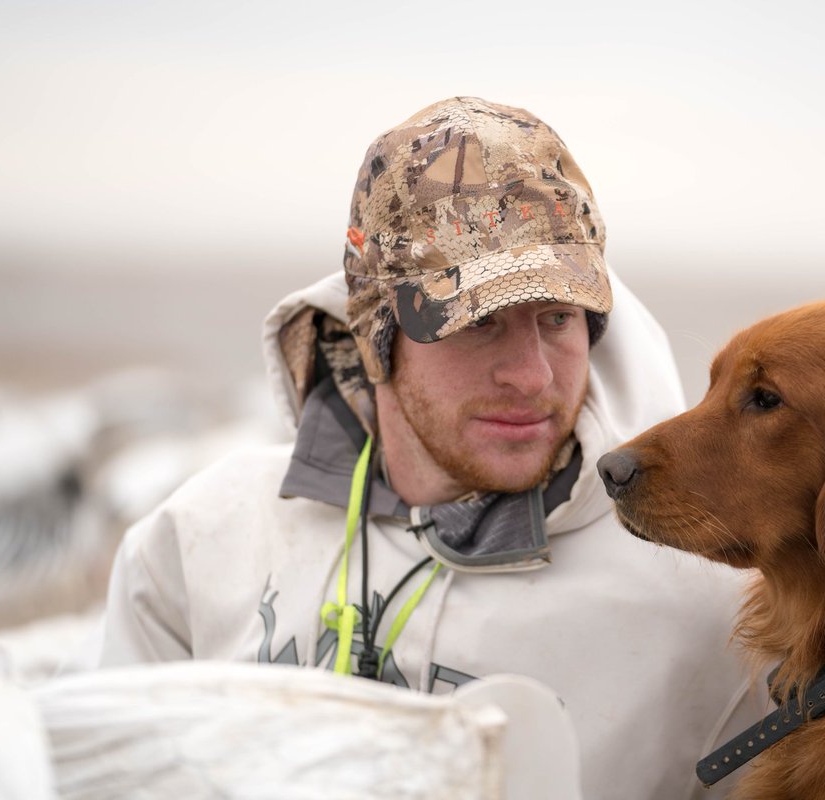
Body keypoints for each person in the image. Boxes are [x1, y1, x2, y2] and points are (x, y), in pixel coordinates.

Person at [96, 97, 760, 798]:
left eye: (559, 318)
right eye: (478, 324)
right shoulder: (202, 539)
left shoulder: (713, 612)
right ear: (375, 333)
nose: (532, 375)